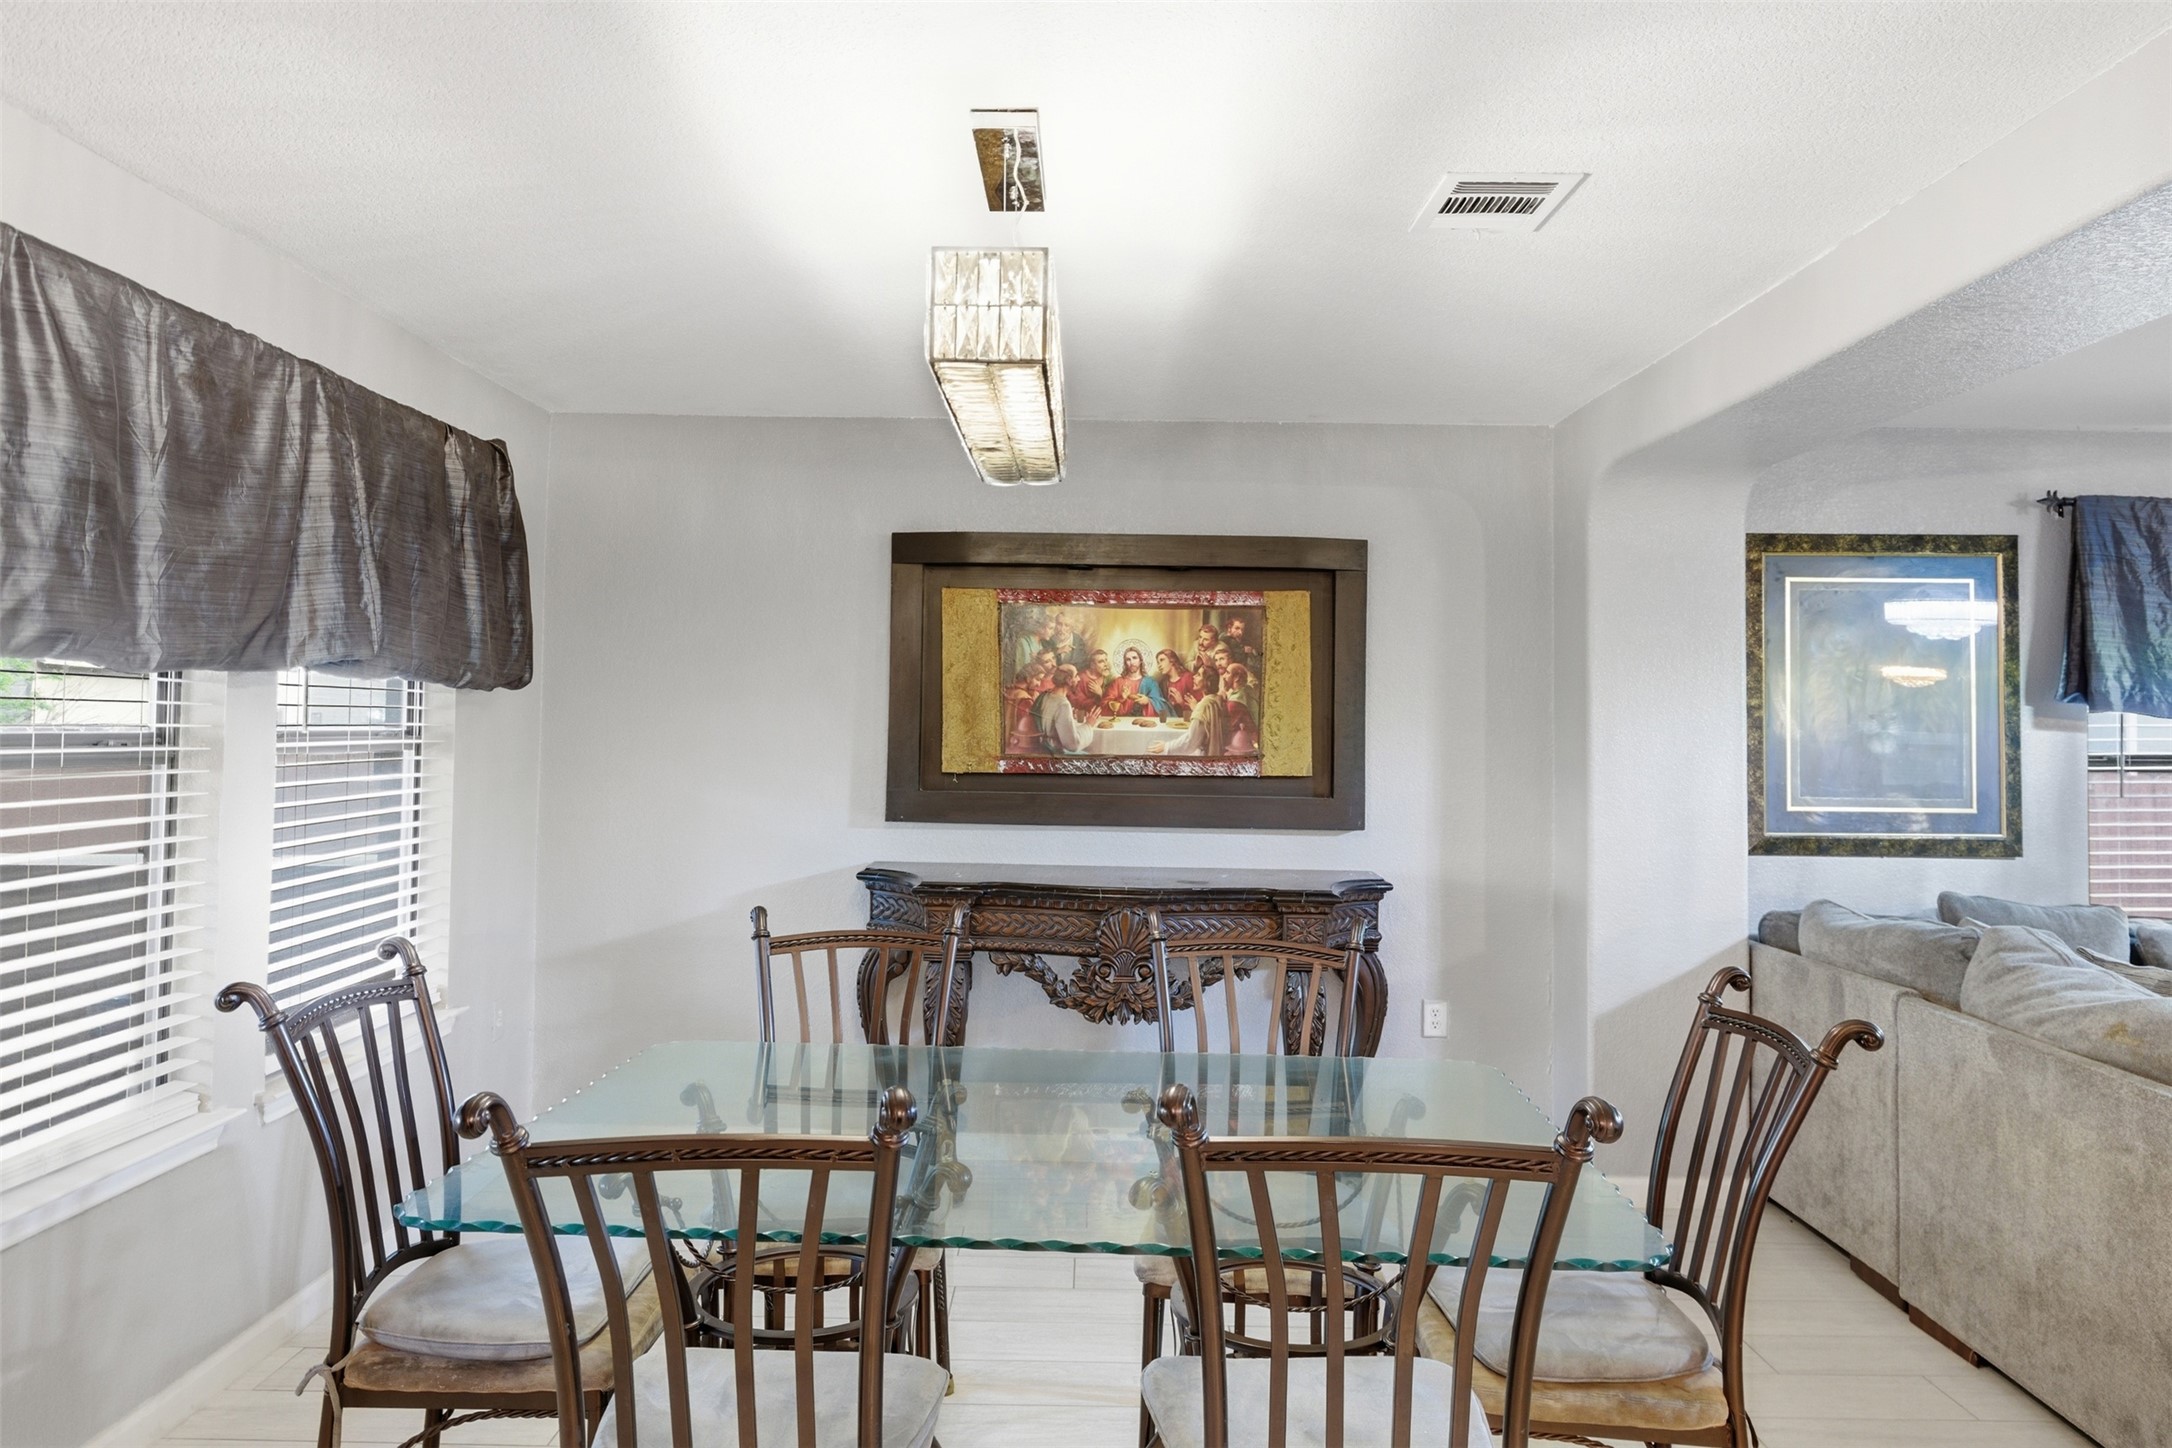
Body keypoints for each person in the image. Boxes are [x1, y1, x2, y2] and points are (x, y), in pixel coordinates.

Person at [1148, 662, 1259, 758]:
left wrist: (1167, 746)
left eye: (1198, 675)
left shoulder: (1204, 705)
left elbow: (1191, 741)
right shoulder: (1217, 699)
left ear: (1208, 682)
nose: (1193, 677)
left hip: (1205, 754)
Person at [1029, 665, 1096, 753]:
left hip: (1040, 747)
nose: (1079, 679)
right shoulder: (1063, 704)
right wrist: (1088, 725)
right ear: (1068, 680)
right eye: (1076, 676)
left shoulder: (1044, 695)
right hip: (1052, 751)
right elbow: (1072, 745)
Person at [1099, 646, 1167, 717]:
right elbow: (1104, 706)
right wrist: (1121, 698)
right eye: (1128, 659)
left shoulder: (1151, 682)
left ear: (1140, 661)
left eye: (1134, 658)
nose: (1131, 662)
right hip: (1122, 724)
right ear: (1125, 663)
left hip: (1144, 723)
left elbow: (1162, 706)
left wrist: (1148, 701)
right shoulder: (1117, 682)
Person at [1153, 649, 1199, 716]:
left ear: (1172, 661)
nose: (1159, 665)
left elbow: (1198, 707)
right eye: (1158, 662)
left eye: (1162, 660)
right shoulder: (1163, 683)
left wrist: (1181, 703)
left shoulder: (1188, 678)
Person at [1070, 648, 1113, 713]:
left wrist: (1101, 693)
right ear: (1092, 665)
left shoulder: (1109, 678)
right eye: (1101, 662)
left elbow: (1113, 702)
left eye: (1106, 660)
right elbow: (1078, 702)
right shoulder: (1080, 678)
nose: (1106, 664)